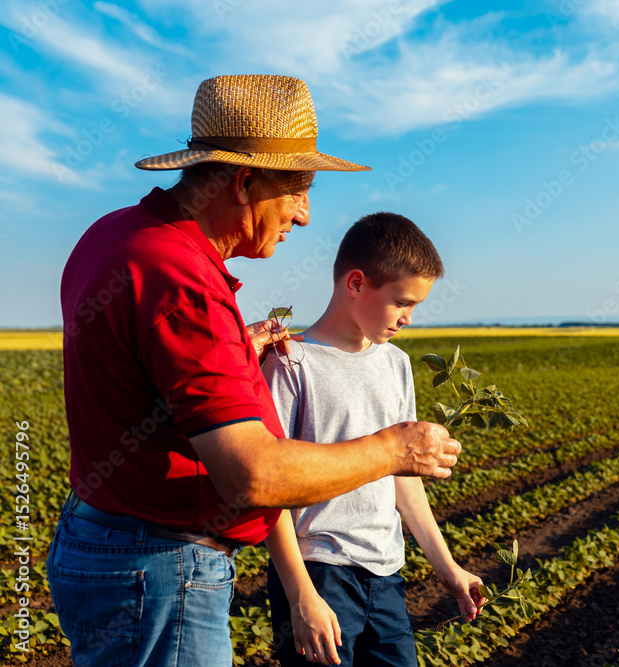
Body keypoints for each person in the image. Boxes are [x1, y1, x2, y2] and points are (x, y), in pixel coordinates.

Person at [48, 75, 461, 667]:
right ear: (244, 182)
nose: (306, 215)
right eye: (298, 190)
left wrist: (231, 348)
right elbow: (253, 477)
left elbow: (144, 366)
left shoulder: (116, 236)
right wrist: (395, 449)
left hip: (108, 541)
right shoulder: (180, 278)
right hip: (159, 568)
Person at [263, 213, 486, 666]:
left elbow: (403, 477)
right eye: (401, 301)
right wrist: (300, 595)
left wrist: (448, 569)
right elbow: (269, 488)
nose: (407, 318)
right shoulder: (292, 363)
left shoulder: (396, 364)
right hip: (318, 573)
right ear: (357, 283)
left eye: (416, 306)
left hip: (387, 574)